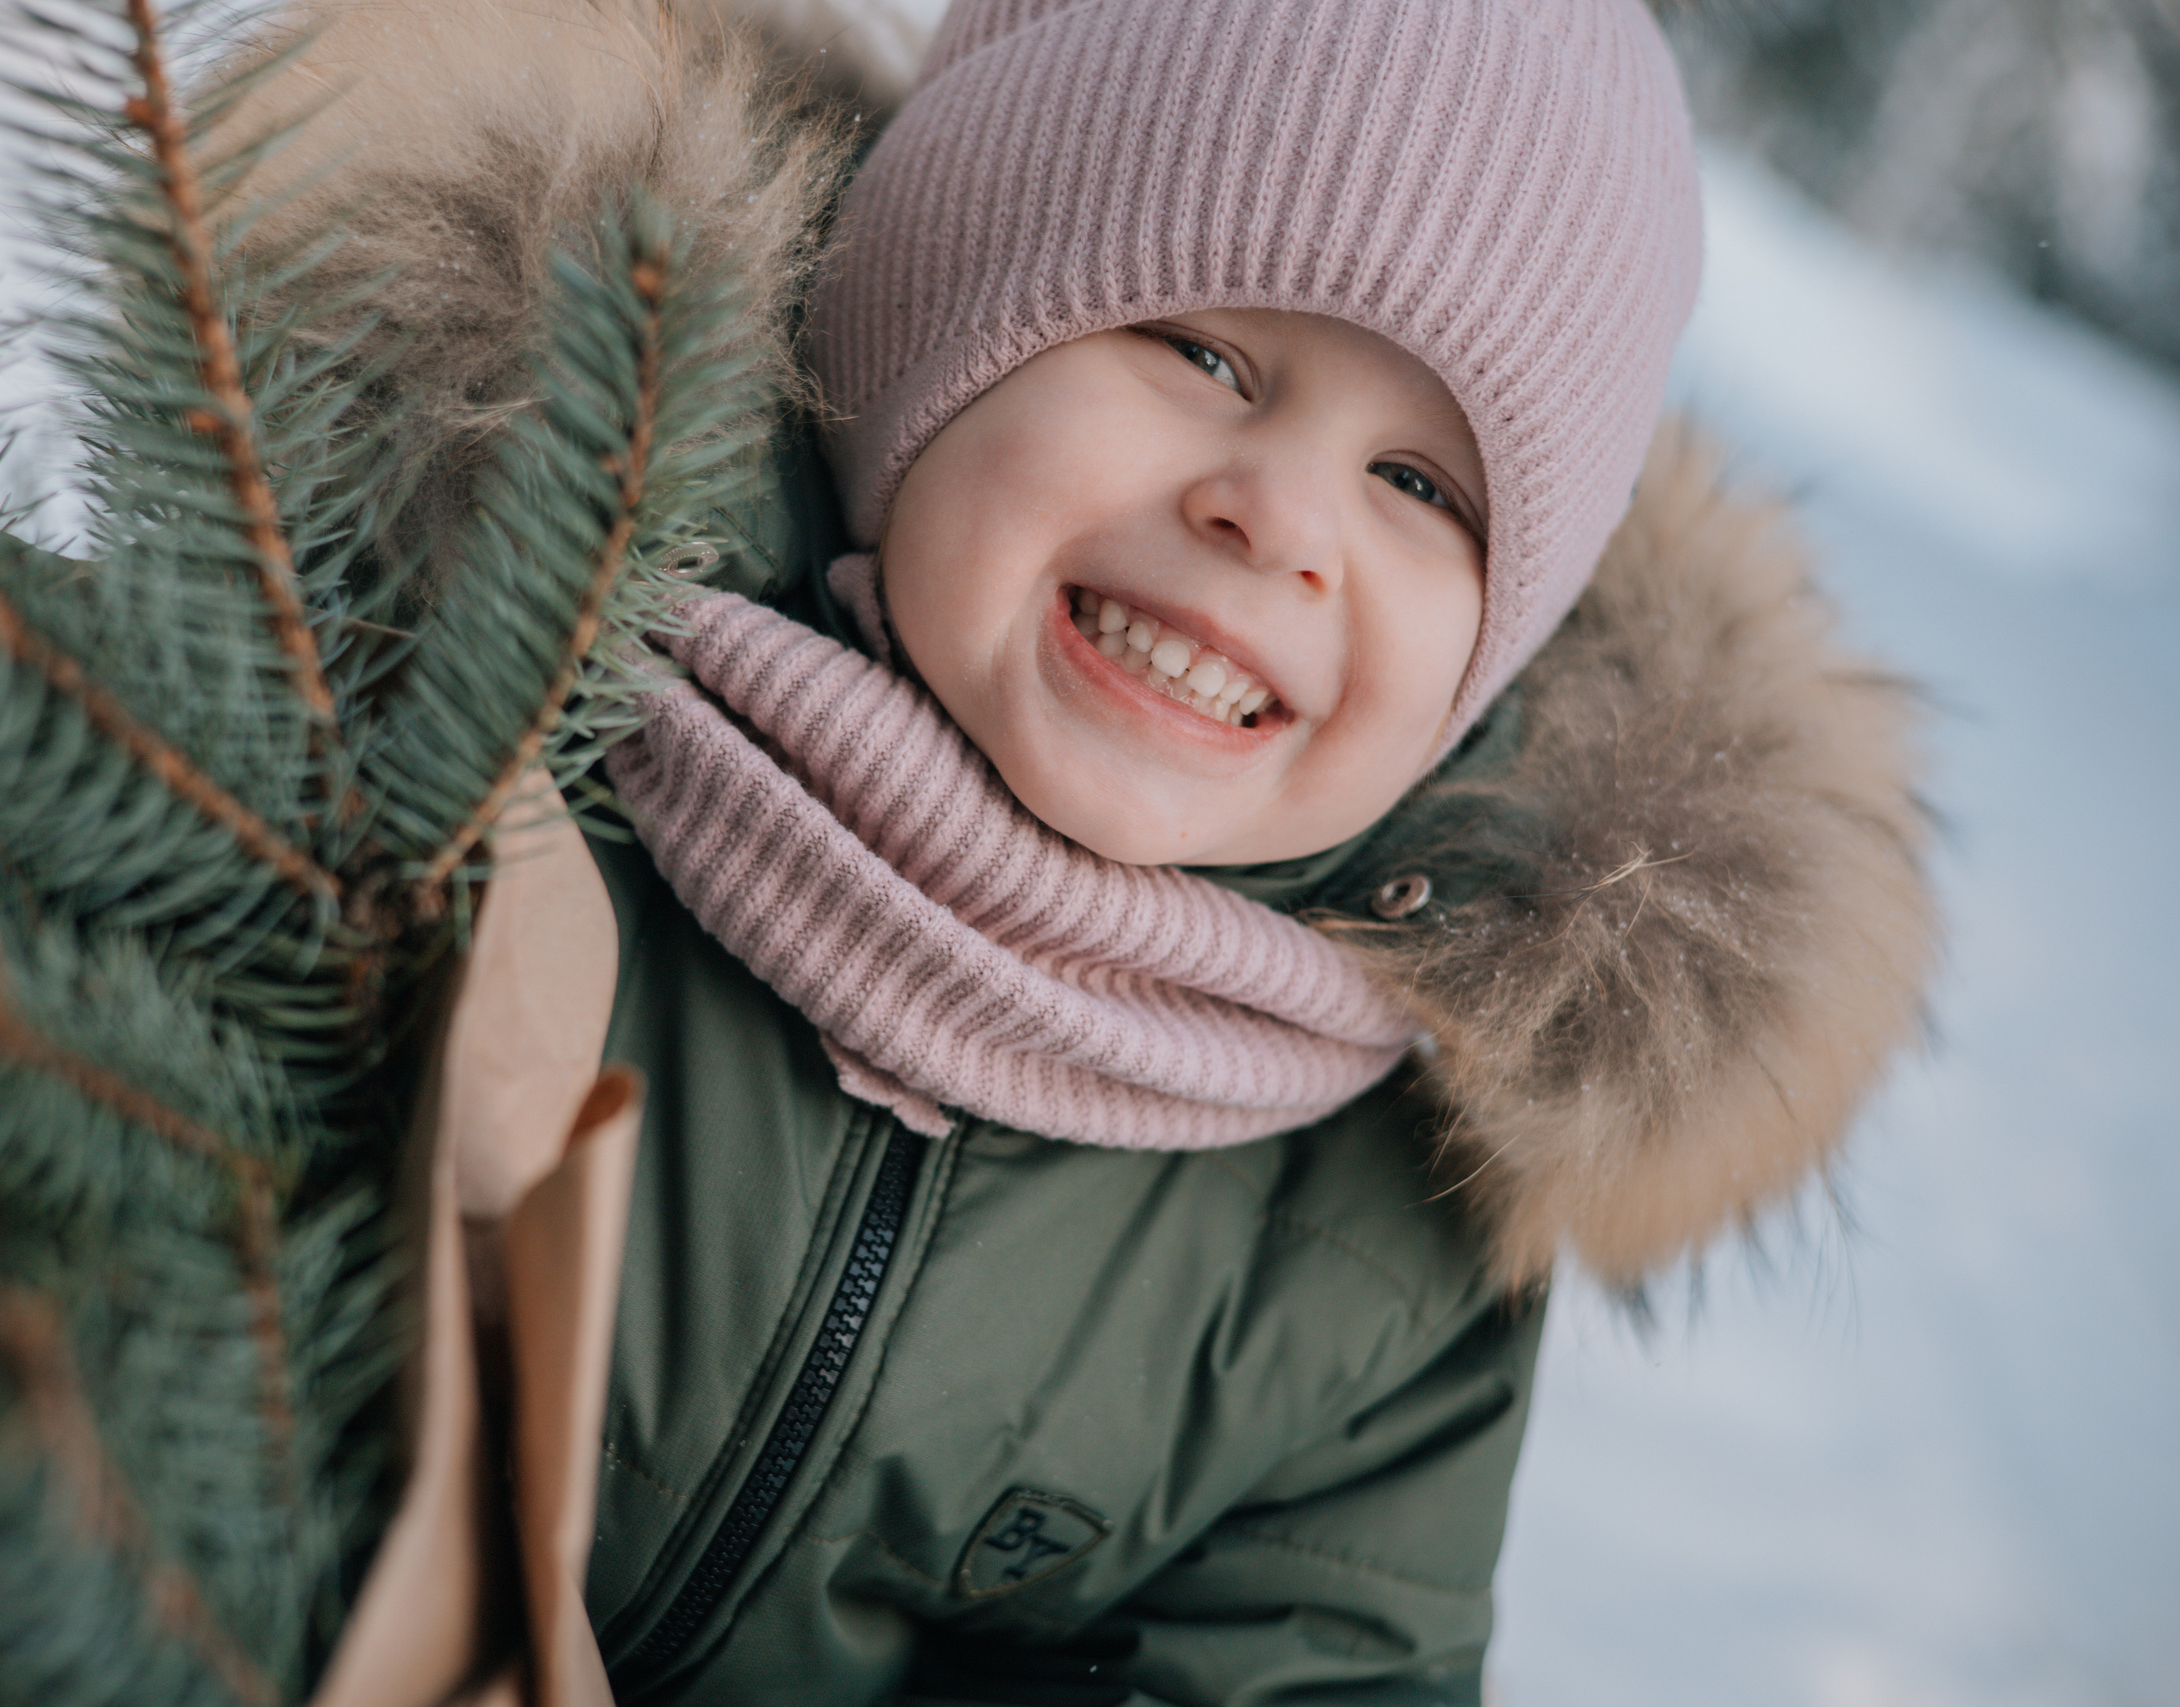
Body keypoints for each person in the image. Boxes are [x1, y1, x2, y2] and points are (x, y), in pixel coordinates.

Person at [240, 0, 1939, 1699]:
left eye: (1423, 486)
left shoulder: (1382, 1232)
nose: (1279, 519)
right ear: (931, 312)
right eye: (1203, 352)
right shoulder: (447, 692)